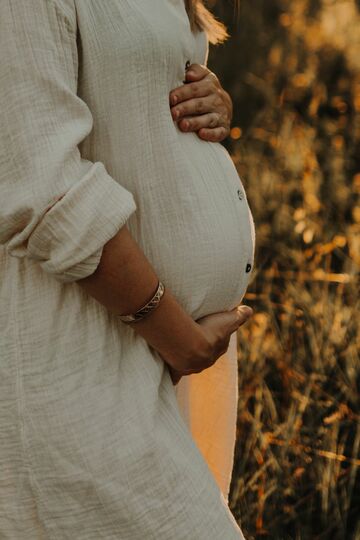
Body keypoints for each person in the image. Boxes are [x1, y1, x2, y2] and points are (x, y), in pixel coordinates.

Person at [0, 0, 256, 538]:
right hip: (78, 352)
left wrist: (208, 98)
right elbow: (39, 185)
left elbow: (125, 90)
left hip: (147, 350)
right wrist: (176, 334)